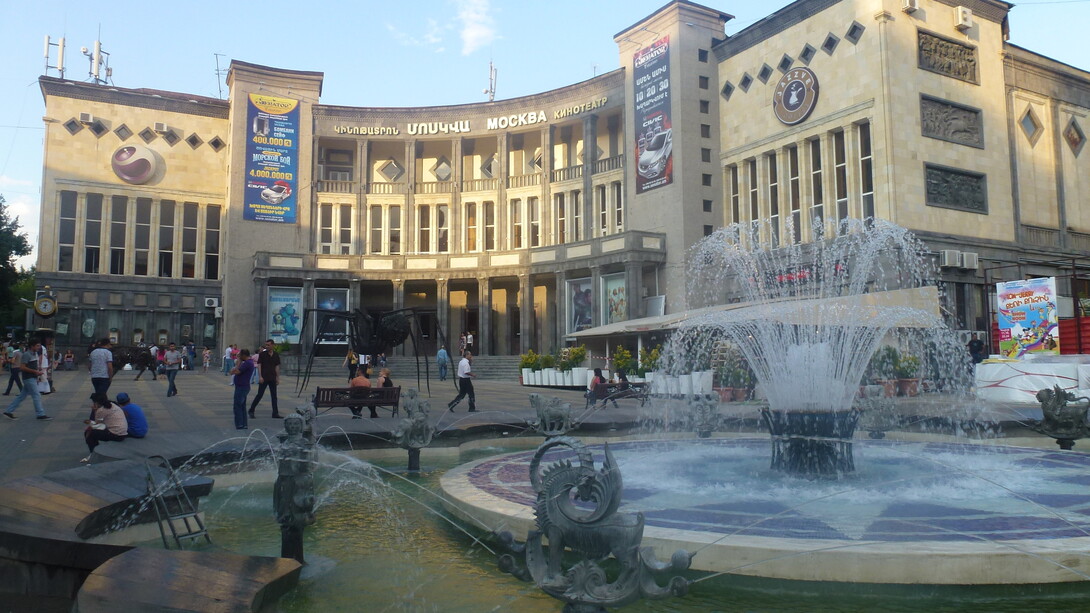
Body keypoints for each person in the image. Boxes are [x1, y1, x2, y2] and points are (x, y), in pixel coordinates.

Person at [2, 338, 51, 420]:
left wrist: (37, 374)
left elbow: (33, 365)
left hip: (32, 377)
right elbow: (22, 367)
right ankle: (40, 414)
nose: (39, 347)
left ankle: (8, 411)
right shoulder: (27, 354)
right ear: (32, 346)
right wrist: (35, 372)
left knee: (22, 396)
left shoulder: (34, 354)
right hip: (28, 378)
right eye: (37, 346)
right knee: (36, 395)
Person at [81, 392, 128, 463]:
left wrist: (94, 411)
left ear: (96, 402)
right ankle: (97, 451)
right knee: (93, 431)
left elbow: (96, 424)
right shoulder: (112, 404)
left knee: (89, 433)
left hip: (116, 434)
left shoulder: (101, 410)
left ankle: (93, 453)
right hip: (123, 431)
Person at [249, 339, 283, 419]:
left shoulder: (276, 355)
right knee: (260, 394)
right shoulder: (262, 354)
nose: (267, 346)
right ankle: (251, 410)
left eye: (268, 345)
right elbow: (259, 365)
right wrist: (260, 376)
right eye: (266, 345)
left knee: (274, 396)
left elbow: (277, 366)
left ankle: (275, 413)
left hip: (272, 377)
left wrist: (277, 378)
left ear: (273, 345)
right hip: (264, 377)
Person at [229, 349, 254, 430]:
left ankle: (240, 424)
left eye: (240, 355)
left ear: (244, 355)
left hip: (242, 387)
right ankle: (243, 424)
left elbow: (235, 371)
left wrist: (238, 362)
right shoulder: (248, 363)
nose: (239, 357)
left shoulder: (247, 363)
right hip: (243, 386)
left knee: (238, 406)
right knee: (242, 406)